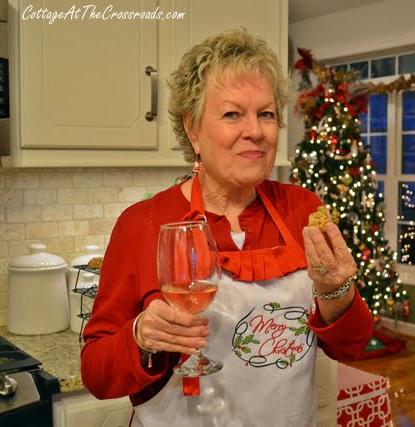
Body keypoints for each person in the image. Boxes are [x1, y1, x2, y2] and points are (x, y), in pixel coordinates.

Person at [80, 28, 373, 427]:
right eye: (233, 113)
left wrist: (335, 291)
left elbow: (354, 345)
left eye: (266, 114)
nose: (255, 130)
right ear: (193, 129)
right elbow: (96, 373)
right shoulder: (143, 224)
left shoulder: (303, 209)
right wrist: (140, 337)